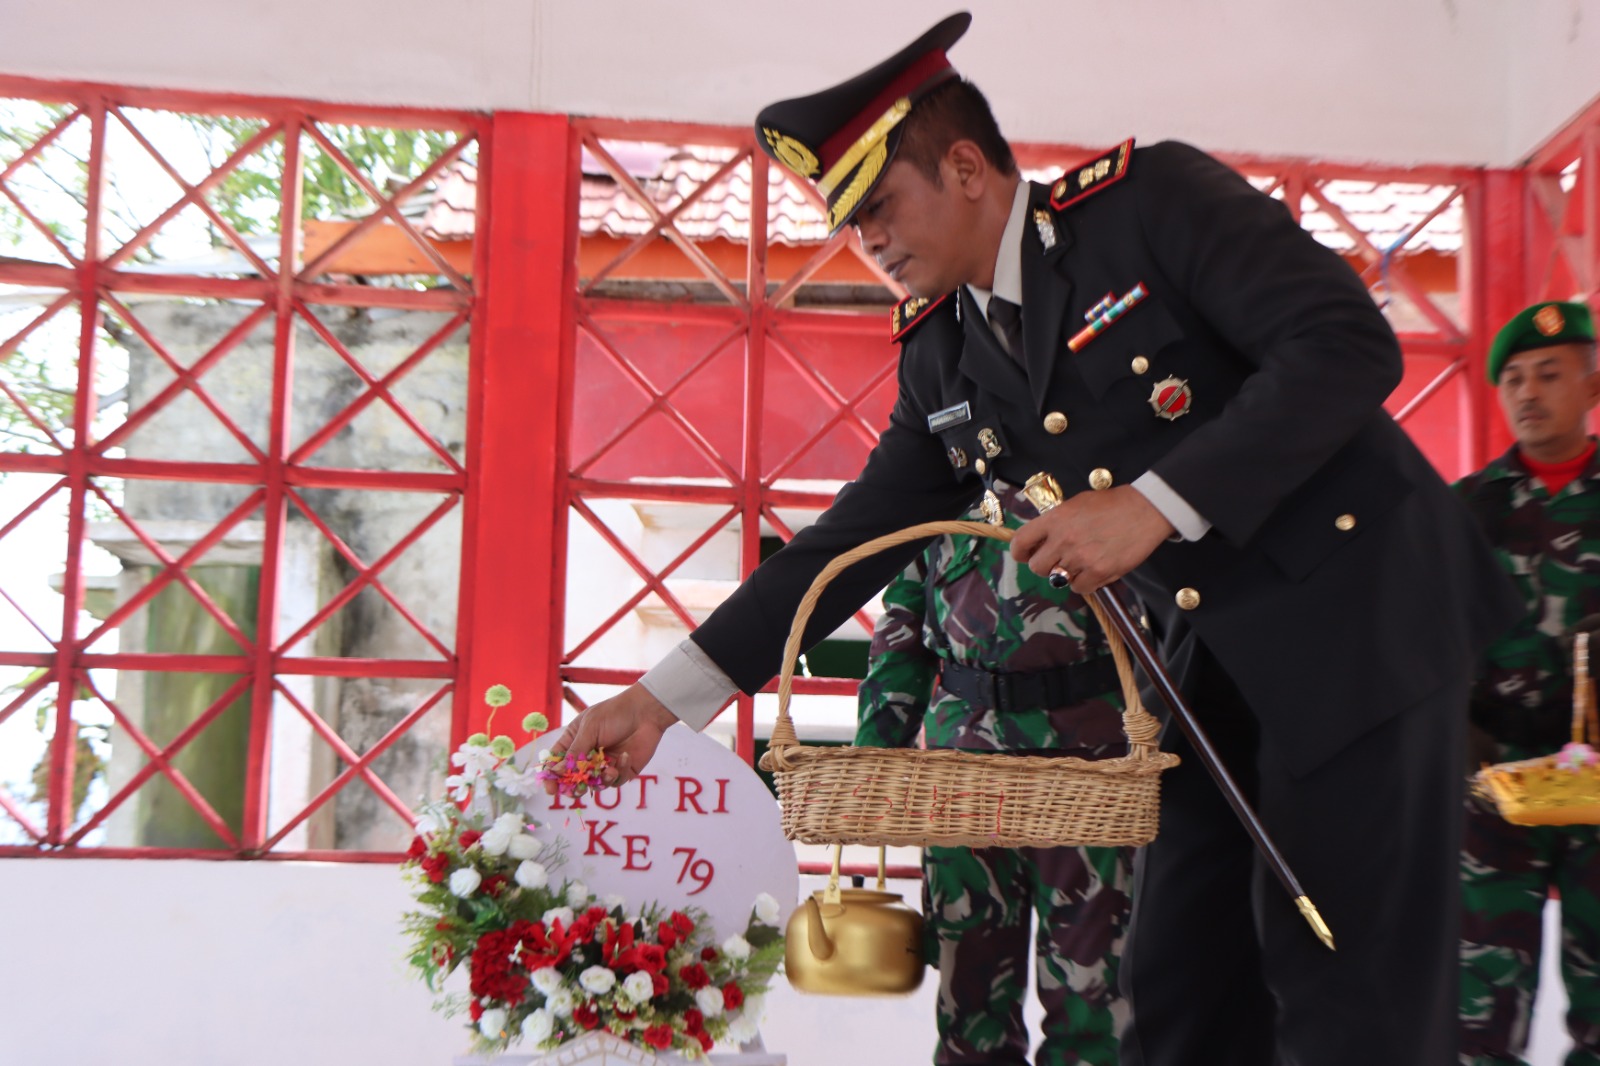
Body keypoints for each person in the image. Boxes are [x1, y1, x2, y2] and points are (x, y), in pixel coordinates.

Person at [551, 12, 1521, 1064]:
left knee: (1347, 985)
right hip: (1214, 656)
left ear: (965, 166)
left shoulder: (1147, 205)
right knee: (1181, 983)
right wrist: (664, 699)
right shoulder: (943, 353)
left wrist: (1153, 502)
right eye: (850, 226)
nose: (867, 244)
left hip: (1360, 614)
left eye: (880, 206)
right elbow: (855, 538)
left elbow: (1344, 343)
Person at [857, 484, 1131, 1066]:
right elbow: (902, 632)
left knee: (1094, 1005)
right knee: (969, 1012)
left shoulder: (1103, 477)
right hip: (965, 772)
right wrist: (874, 761)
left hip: (1090, 768)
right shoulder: (942, 487)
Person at [1456, 300, 1600, 1066]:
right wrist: (1457, 736)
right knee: (1481, 996)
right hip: (1494, 778)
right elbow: (1420, 640)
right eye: (1512, 379)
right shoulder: (1469, 508)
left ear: (1591, 384)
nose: (1529, 392)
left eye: (1549, 373)